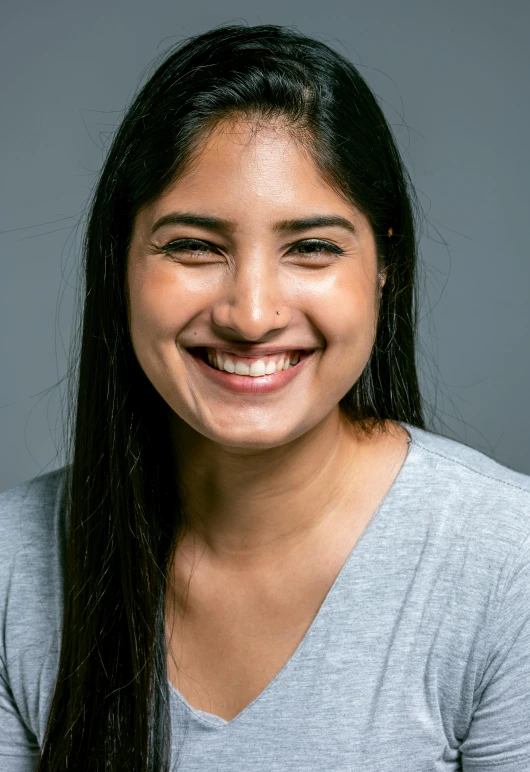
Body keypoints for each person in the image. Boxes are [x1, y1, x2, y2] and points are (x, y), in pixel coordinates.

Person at [1, 23, 529, 772]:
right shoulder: (11, 571)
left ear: (384, 266)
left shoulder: (510, 564)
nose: (251, 315)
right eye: (193, 246)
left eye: (312, 248)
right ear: (119, 262)